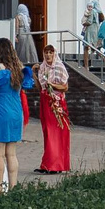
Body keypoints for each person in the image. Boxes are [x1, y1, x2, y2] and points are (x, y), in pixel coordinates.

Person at [0, 40, 31, 193]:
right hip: (16, 112)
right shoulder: (19, 69)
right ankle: (14, 188)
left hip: (0, 113)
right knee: (12, 154)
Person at [34, 39, 73, 172]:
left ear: (54, 54)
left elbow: (65, 87)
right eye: (46, 52)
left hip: (56, 103)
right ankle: (47, 163)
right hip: (45, 101)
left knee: (55, 132)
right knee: (47, 132)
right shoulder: (43, 67)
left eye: (50, 52)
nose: (48, 55)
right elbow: (40, 88)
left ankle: (56, 165)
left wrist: (53, 86)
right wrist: (34, 74)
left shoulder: (59, 67)